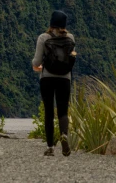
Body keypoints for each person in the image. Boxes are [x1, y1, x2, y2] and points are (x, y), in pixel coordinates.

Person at [32, 10, 77, 157]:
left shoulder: (43, 38)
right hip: (65, 79)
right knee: (63, 111)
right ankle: (64, 135)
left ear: (51, 23)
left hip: (47, 78)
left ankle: (50, 147)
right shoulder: (70, 38)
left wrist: (37, 67)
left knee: (49, 111)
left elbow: (36, 62)